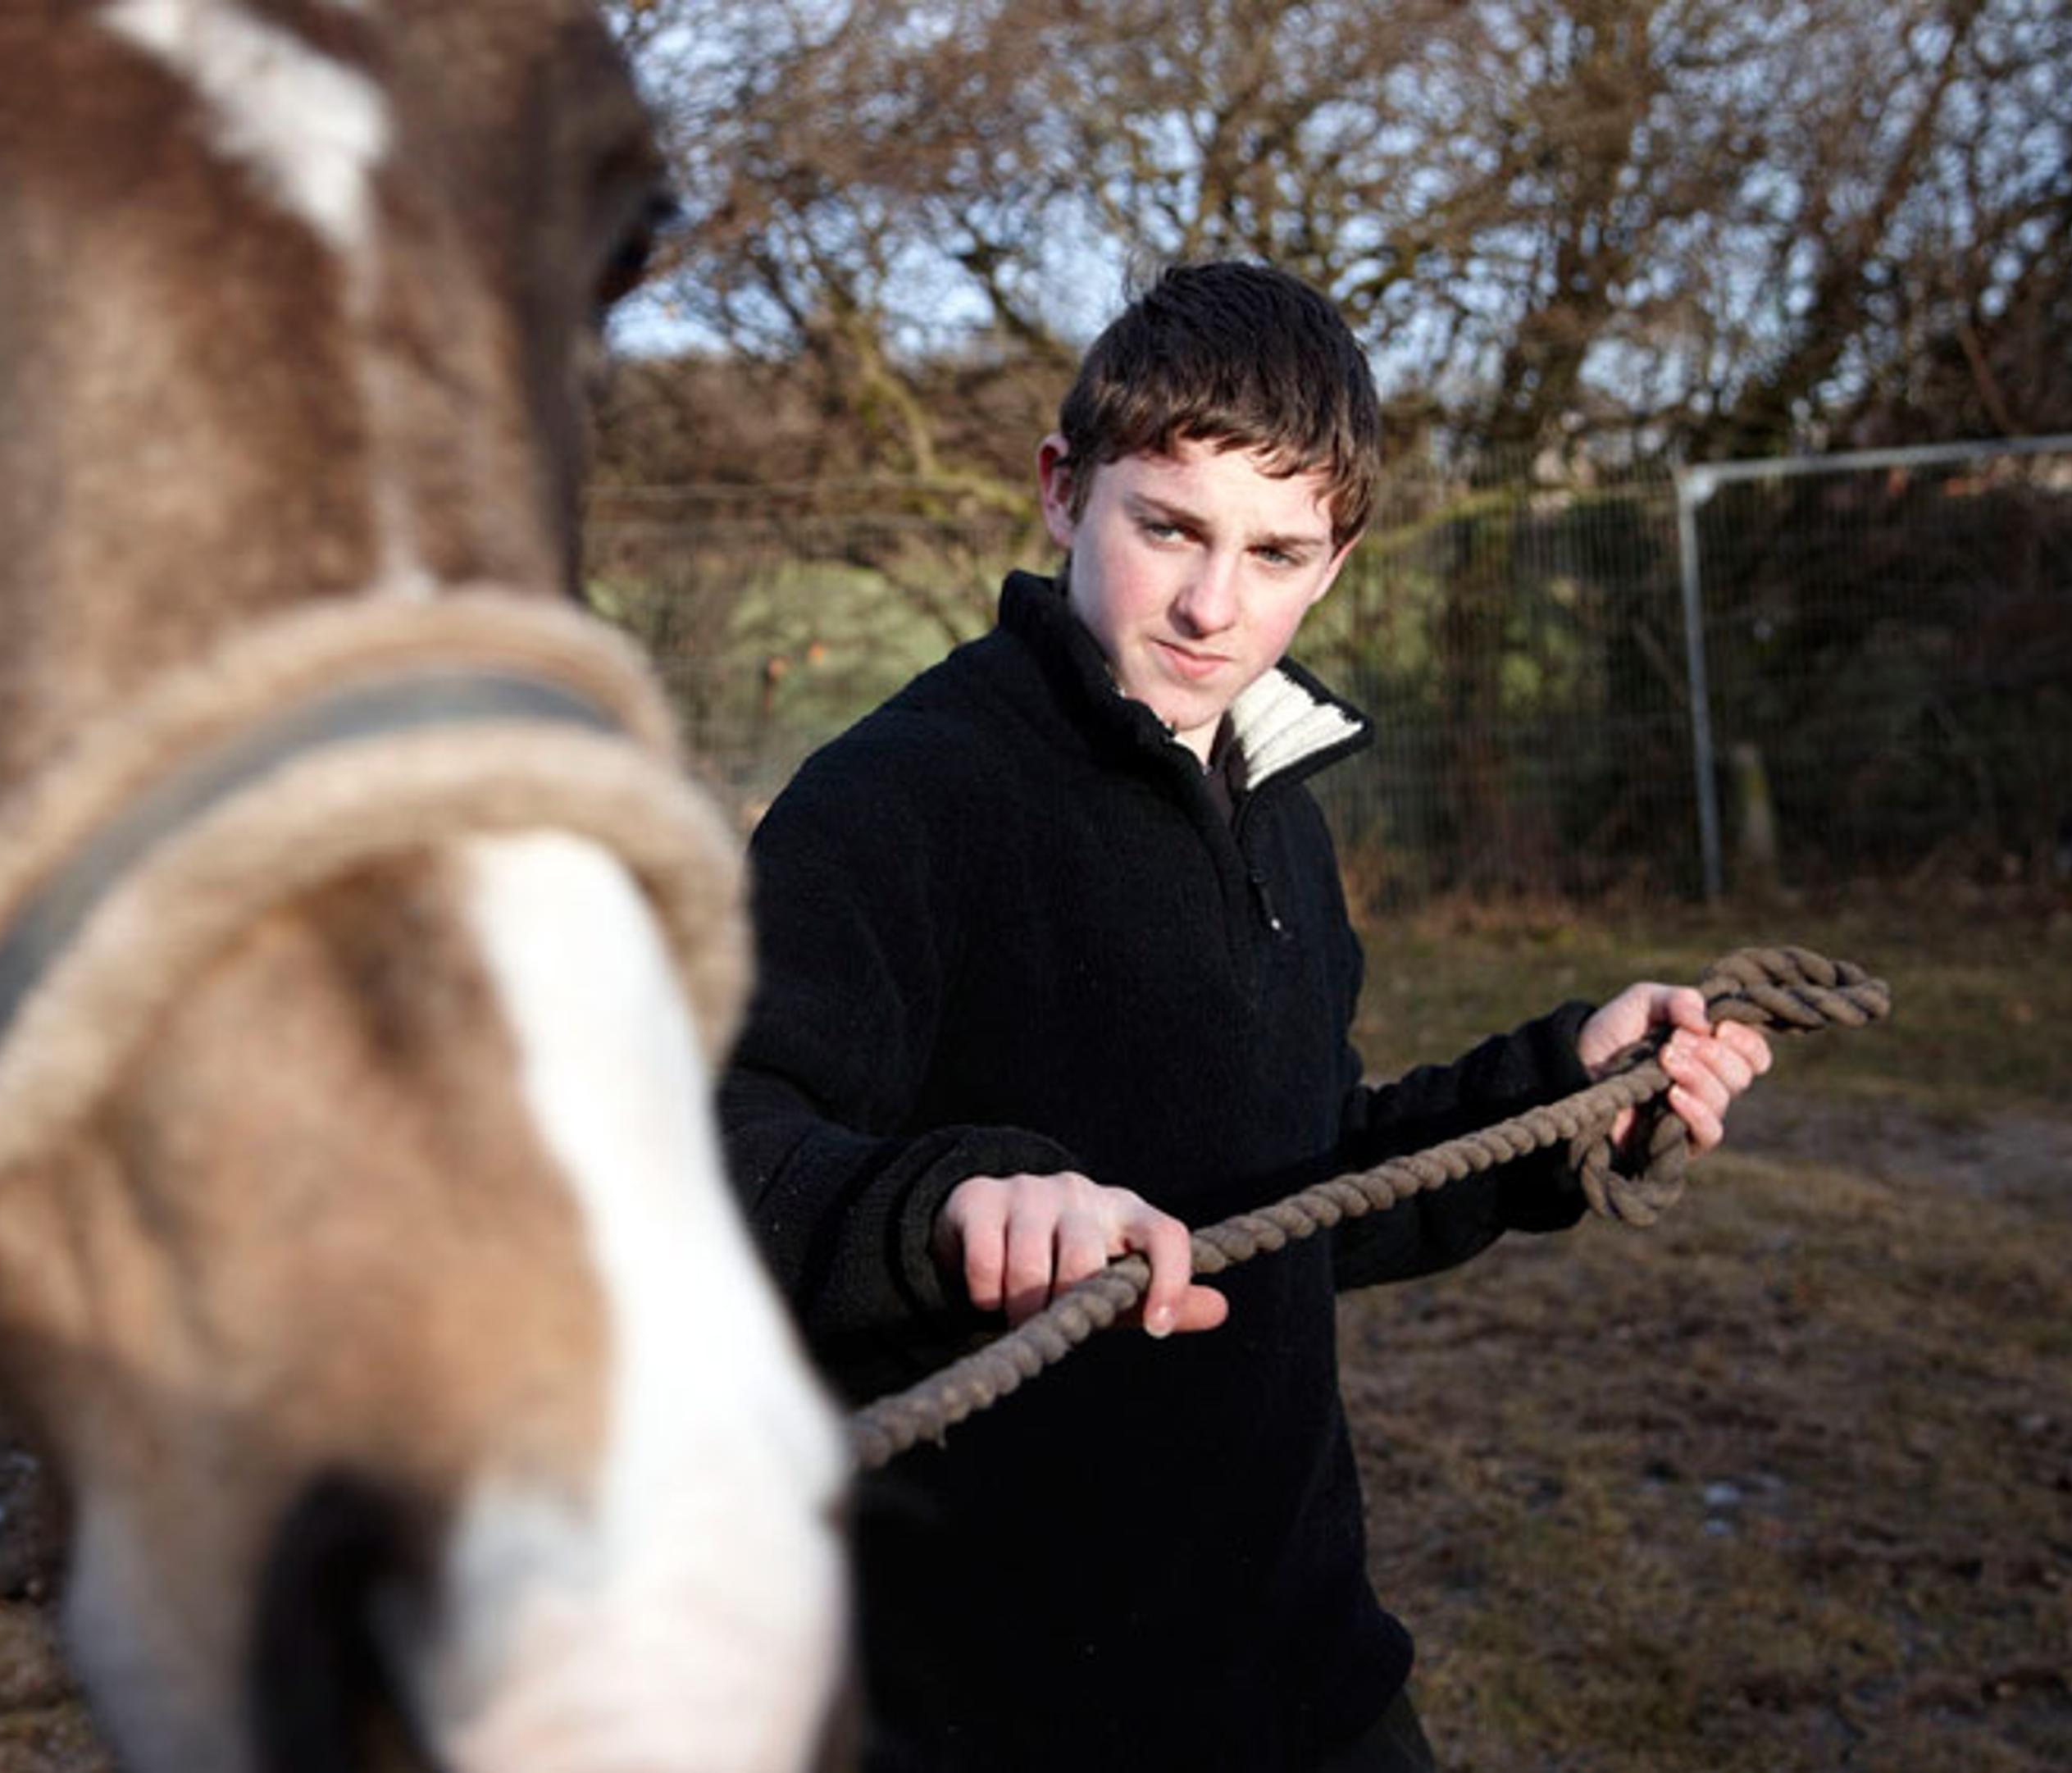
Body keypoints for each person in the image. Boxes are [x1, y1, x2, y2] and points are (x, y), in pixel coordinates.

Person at [717, 261, 1774, 1771]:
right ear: (1063, 492)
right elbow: (712, 1152)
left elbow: (1305, 1181)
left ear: (1334, 564)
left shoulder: (1278, 814)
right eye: (1171, 527)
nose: (1218, 604)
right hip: (992, 1700)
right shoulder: (897, 802)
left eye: (1278, 552)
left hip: (1297, 1658)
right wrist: (945, 1207)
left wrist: (1564, 1095)